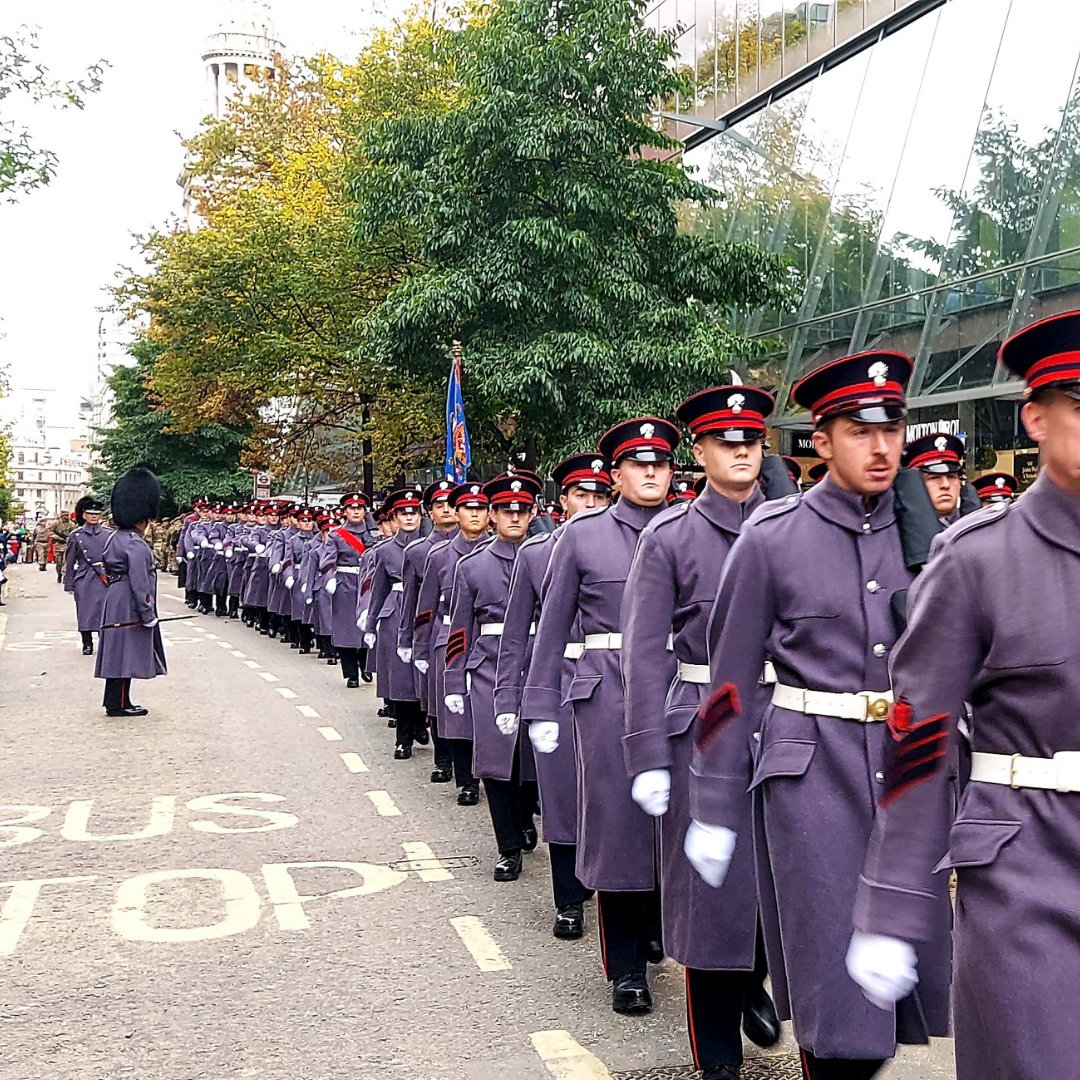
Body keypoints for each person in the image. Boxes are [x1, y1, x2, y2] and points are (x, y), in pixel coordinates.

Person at [685, 352, 952, 1079]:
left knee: (903, 991)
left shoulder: (934, 544)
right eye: (859, 431)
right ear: (822, 441)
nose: (881, 447)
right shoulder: (772, 538)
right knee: (838, 996)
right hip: (812, 777)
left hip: (907, 775)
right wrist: (712, 804)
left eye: (892, 429)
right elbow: (731, 684)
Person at [846, 311, 1080, 1080]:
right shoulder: (980, 559)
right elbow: (917, 735)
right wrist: (889, 904)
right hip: (1027, 870)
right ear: (1036, 417)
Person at [623, 386, 784, 1080]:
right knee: (710, 900)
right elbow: (642, 652)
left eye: (752, 438)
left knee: (781, 879)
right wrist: (648, 752)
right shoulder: (672, 537)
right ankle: (718, 1058)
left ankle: (754, 975)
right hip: (703, 725)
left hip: (787, 723)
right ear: (702, 450)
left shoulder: (797, 527)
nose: (741, 449)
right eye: (726, 439)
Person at [526, 416, 679, 1015]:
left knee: (678, 821)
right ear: (615, 474)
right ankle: (627, 968)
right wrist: (539, 702)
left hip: (677, 687)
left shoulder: (690, 529)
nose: (650, 473)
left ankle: (661, 923)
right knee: (620, 828)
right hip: (608, 693)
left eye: (660, 463)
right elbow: (552, 627)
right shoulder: (583, 536)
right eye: (638, 465)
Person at [494, 452, 613, 939]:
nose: (590, 503)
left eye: (599, 495)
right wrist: (509, 699)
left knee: (614, 796)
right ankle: (569, 898)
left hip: (612, 680)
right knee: (563, 796)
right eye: (580, 495)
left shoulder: (633, 545)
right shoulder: (537, 552)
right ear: (561, 501)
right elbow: (517, 635)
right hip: (560, 680)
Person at [444, 472, 543, 881]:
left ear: (533, 513)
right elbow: (459, 629)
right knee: (497, 759)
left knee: (535, 757)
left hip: (540, 662)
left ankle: (525, 815)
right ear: (492, 516)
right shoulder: (473, 566)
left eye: (522, 510)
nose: (515, 517)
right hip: (488, 666)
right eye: (506, 510)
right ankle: (508, 846)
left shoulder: (550, 556)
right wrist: (453, 680)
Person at [413, 482, 492, 804]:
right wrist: (418, 645)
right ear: (457, 513)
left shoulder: (507, 550)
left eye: (480, 509)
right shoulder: (439, 555)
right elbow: (426, 606)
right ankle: (466, 780)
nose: (474, 515)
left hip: (490, 640)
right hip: (451, 638)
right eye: (467, 509)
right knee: (457, 717)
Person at [399, 478, 459, 783]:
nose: (446, 510)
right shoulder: (419, 551)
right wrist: (408, 639)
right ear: (429, 512)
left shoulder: (482, 544)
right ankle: (443, 758)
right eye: (439, 505)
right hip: (437, 628)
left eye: (451, 504)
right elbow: (412, 599)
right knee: (436, 700)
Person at [96, 467, 166, 717]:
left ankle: (114, 700)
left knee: (116, 652)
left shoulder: (114, 538)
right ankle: (120, 703)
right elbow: (140, 581)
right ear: (141, 519)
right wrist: (147, 612)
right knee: (125, 653)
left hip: (115, 597)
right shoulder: (135, 543)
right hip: (128, 600)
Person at [363, 488, 426, 758]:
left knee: (424, 677)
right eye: (404, 513)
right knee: (401, 681)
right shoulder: (386, 550)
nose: (409, 517)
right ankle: (403, 738)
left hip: (425, 612)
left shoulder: (431, 546)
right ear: (396, 517)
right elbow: (378, 589)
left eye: (414, 512)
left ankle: (421, 723)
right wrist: (369, 624)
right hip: (396, 613)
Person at [320, 492, 374, 688]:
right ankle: (351, 673)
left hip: (368, 582)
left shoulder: (373, 533)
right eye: (352, 508)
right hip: (345, 583)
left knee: (368, 625)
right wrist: (330, 579)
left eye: (359, 508)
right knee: (346, 630)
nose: (356, 511)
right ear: (345, 511)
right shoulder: (336, 535)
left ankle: (366, 665)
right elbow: (327, 560)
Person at [64, 495, 113, 655]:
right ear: (83, 515)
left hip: (104, 577)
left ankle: (104, 641)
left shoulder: (109, 534)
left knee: (104, 611)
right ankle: (87, 642)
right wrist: (69, 582)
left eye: (96, 514)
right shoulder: (76, 535)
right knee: (85, 611)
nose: (93, 516)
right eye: (90, 513)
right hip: (84, 578)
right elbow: (70, 561)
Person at [901, 432, 967, 526]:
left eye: (951, 477)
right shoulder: (900, 530)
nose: (945, 485)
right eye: (934, 478)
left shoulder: (975, 524)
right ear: (915, 484)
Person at [50, 508, 76, 584]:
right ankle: (59, 574)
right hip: (58, 545)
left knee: (66, 562)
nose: (66, 516)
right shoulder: (56, 523)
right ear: (61, 515)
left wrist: (69, 539)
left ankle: (65, 576)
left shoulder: (71, 524)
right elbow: (50, 532)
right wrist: (58, 538)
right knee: (58, 563)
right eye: (65, 515)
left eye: (67, 515)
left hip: (66, 545)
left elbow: (73, 533)